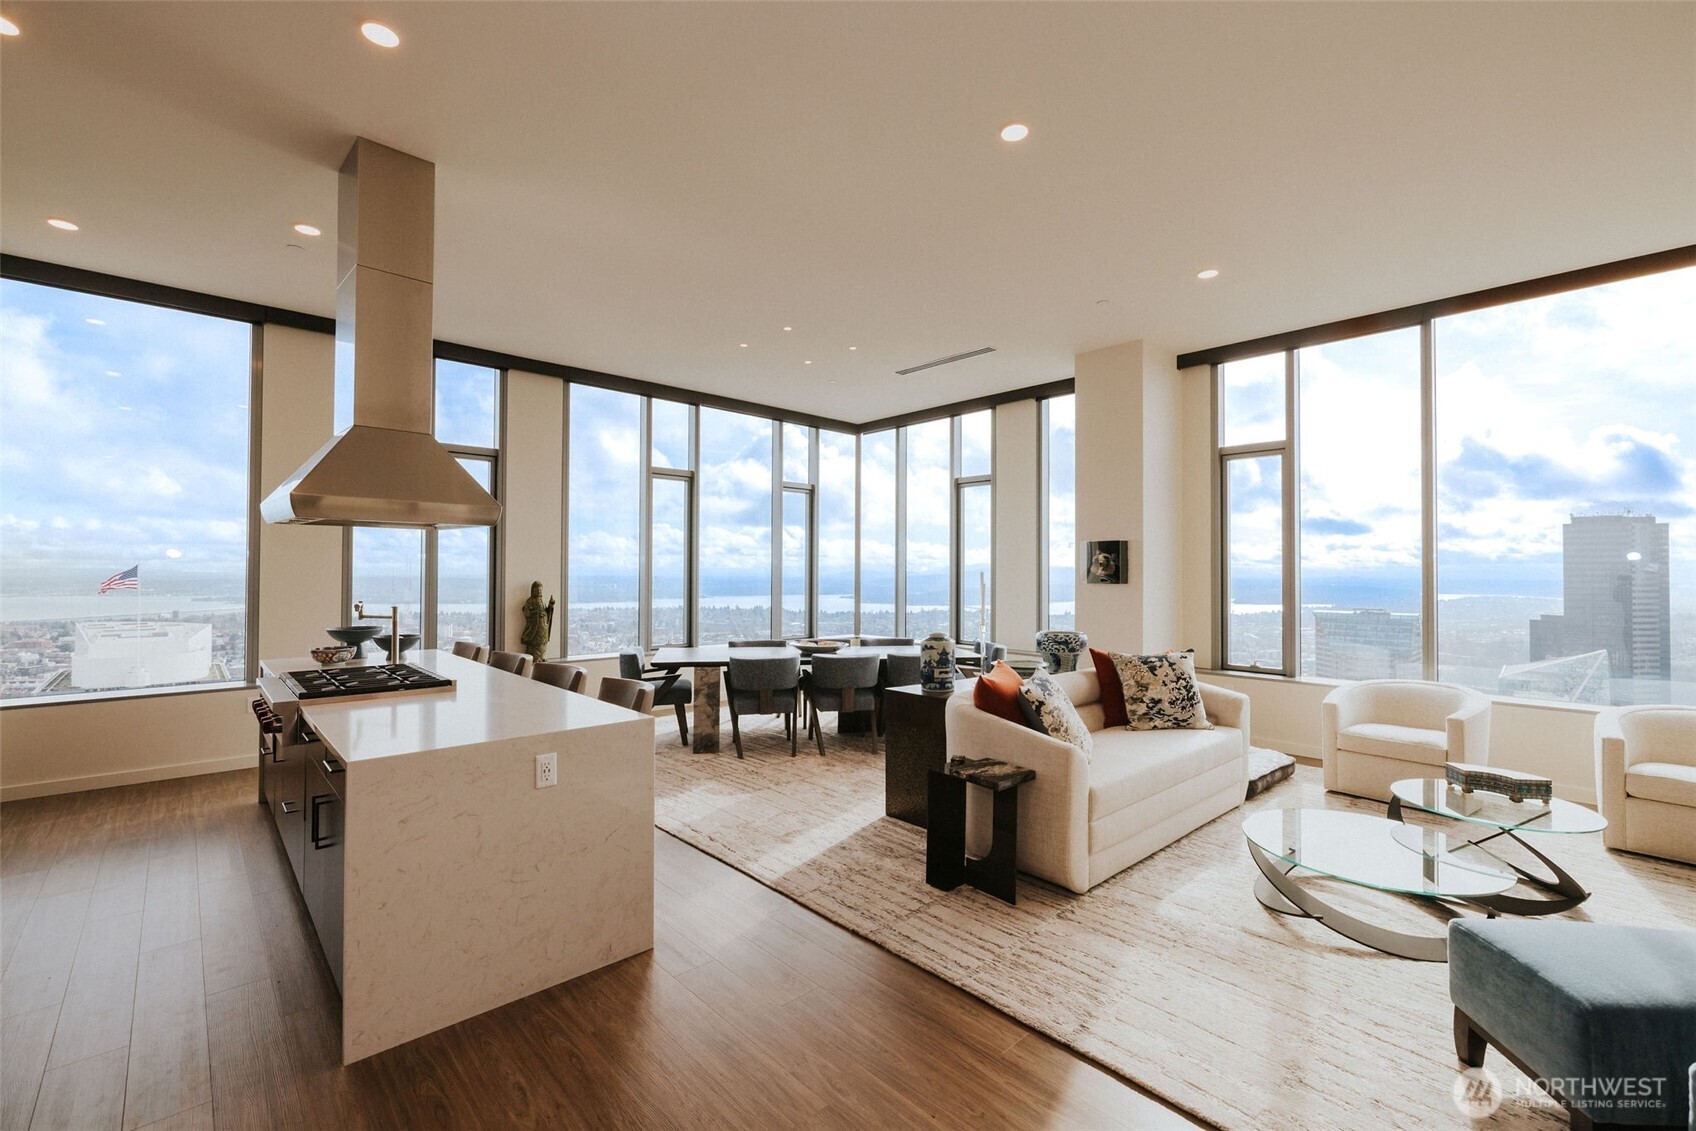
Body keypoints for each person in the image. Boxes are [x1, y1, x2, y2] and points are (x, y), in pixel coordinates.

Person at [520, 581, 555, 663]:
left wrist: (550, 605)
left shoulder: (543, 601)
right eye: (537, 590)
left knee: (543, 642)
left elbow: (546, 612)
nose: (539, 591)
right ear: (533, 590)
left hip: (543, 625)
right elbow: (527, 612)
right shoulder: (530, 601)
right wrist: (536, 613)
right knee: (535, 643)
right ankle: (535, 658)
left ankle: (542, 657)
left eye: (540, 590)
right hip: (535, 626)